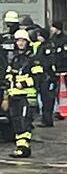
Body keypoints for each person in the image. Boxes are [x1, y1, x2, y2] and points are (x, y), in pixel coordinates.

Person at [6, 29, 43, 157]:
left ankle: (24, 147)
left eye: (22, 41)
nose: (20, 43)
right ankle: (20, 147)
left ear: (27, 42)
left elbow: (38, 77)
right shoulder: (14, 58)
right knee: (16, 122)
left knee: (24, 122)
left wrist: (24, 83)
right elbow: (8, 73)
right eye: (18, 41)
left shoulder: (33, 58)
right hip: (14, 95)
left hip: (26, 96)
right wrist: (10, 79)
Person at [41, 21, 67, 125]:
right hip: (53, 71)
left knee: (61, 91)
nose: (52, 29)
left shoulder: (66, 40)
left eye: (53, 27)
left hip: (62, 70)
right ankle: (56, 111)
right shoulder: (52, 40)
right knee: (52, 93)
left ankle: (61, 110)